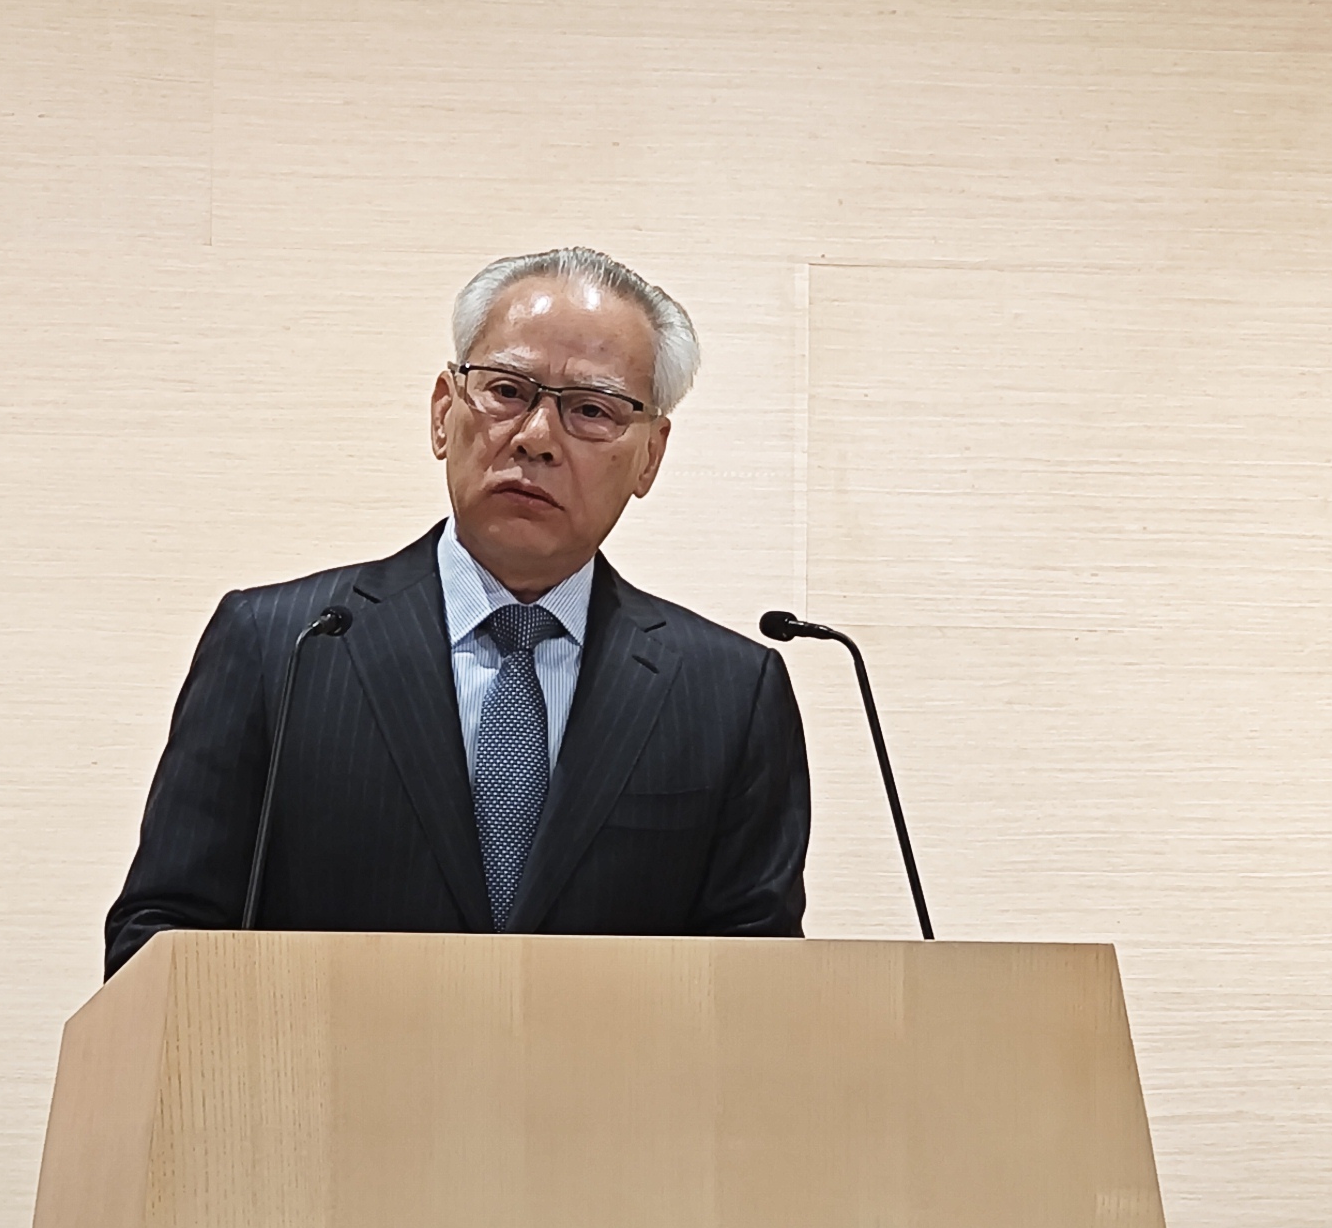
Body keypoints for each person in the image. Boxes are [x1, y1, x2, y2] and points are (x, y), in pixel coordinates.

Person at [105, 247, 810, 975]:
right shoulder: (282, 647)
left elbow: (759, 990)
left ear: (650, 457)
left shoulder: (728, 695)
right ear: (444, 411)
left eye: (591, 410)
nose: (536, 438)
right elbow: (158, 946)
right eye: (507, 391)